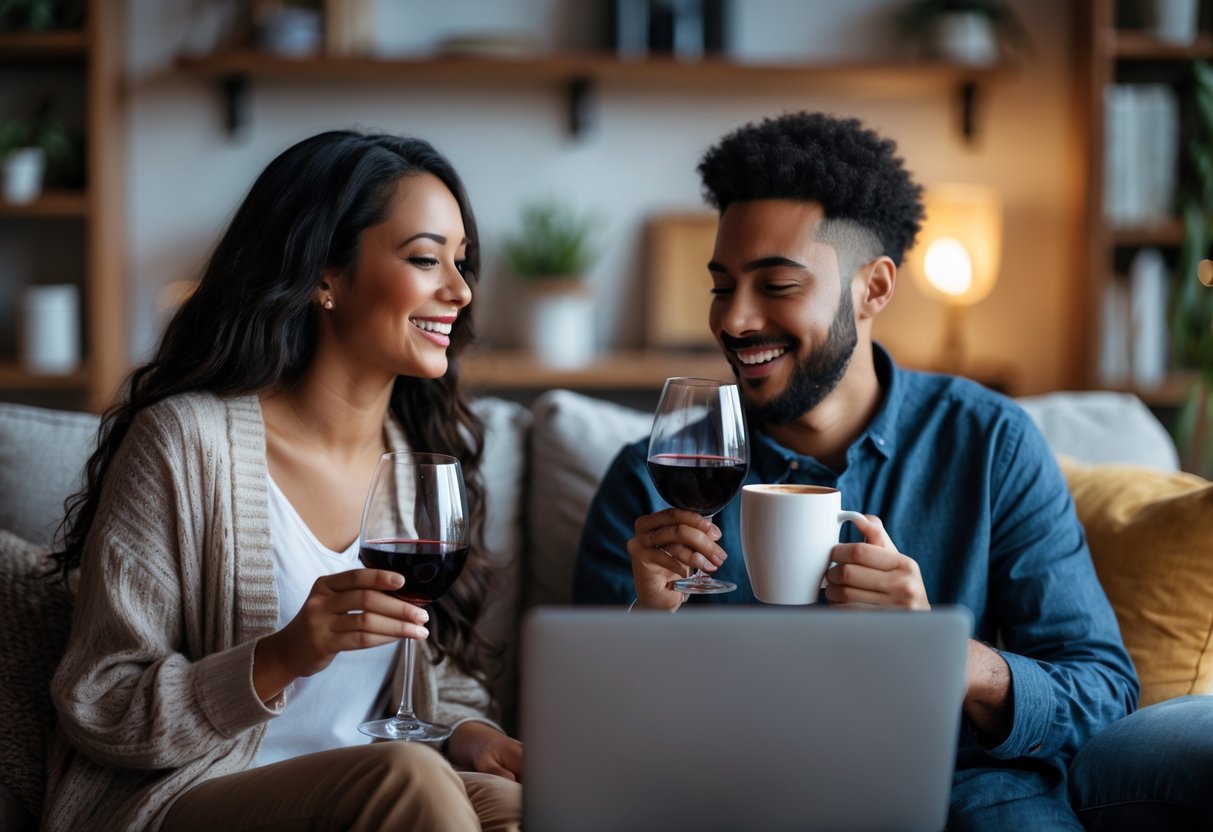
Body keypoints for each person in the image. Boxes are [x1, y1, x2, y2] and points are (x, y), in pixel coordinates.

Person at [572, 111, 1213, 830]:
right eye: (722, 286)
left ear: (873, 288)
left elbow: (1099, 690)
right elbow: (577, 737)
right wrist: (645, 622)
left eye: (776, 285)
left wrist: (940, 648)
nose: (733, 320)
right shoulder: (651, 477)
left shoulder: (989, 442)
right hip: (737, 803)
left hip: (962, 798)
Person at [46, 131, 522, 832]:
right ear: (324, 276)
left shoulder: (415, 457)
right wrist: (281, 655)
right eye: (426, 259)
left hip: (378, 784)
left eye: (462, 261)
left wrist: (466, 735)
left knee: (524, 805)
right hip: (193, 794)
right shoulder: (186, 443)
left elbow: (428, 680)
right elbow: (102, 701)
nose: (460, 289)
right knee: (408, 776)